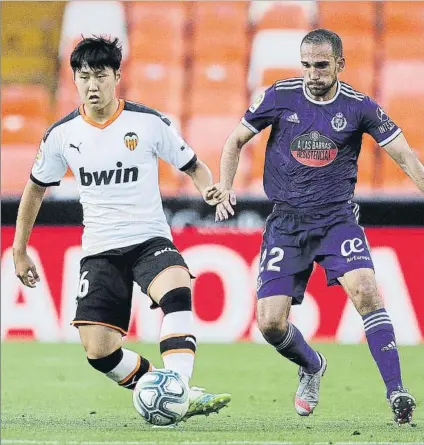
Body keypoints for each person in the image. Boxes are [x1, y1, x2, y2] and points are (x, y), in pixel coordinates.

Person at [209, 29, 423, 424]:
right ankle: (311, 365)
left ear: (340, 64)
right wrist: (224, 186)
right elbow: (235, 140)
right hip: (286, 224)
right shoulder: (279, 96)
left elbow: (406, 157)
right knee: (270, 324)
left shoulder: (360, 107)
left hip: (336, 220)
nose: (312, 74)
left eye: (321, 66)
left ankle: (397, 392)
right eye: (306, 65)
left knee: (366, 292)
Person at [13, 36, 230, 422]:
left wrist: (208, 190)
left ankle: (179, 388)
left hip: (149, 240)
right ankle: (165, 387)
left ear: (117, 76)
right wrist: (19, 249)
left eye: (100, 75)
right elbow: (35, 188)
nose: (92, 85)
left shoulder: (148, 123)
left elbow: (194, 165)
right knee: (99, 353)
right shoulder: (62, 135)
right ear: (75, 81)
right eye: (84, 77)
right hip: (100, 249)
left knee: (177, 291)